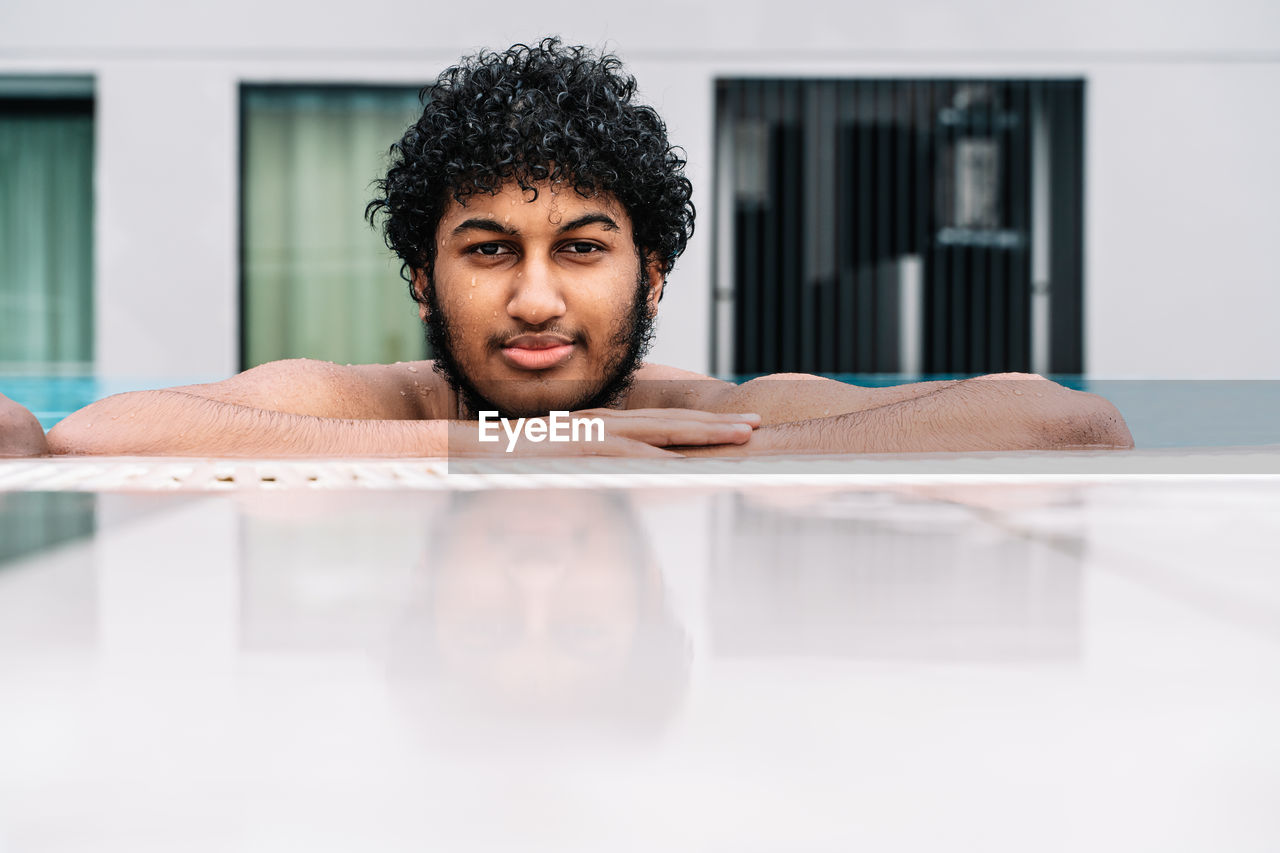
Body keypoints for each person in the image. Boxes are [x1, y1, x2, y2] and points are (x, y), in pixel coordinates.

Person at [43, 38, 1131, 458]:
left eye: (579, 247)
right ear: (423, 278)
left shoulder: (703, 418)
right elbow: (97, 433)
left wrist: (651, 455)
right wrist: (515, 449)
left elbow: (1066, 422)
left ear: (650, 273)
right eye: (486, 250)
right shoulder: (384, 407)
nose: (531, 297)